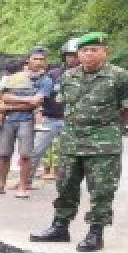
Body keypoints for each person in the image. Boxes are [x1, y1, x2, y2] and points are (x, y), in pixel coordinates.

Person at [30, 32, 128, 252]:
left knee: (101, 190)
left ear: (104, 51)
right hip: (71, 141)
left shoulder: (120, 77)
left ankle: (95, 232)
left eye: (94, 50)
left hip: (103, 144)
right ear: (78, 54)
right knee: (65, 186)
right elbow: (63, 104)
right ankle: (60, 226)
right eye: (84, 50)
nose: (89, 54)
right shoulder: (68, 77)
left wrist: (114, 129)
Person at [0, 49, 54, 197]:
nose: (38, 62)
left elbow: (37, 101)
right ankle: (0, 184)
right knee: (4, 154)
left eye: (41, 59)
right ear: (28, 60)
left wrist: (11, 104)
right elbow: (4, 96)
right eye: (35, 59)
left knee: (25, 155)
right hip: (8, 119)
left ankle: (23, 186)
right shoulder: (15, 76)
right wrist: (26, 101)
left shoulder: (45, 80)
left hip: (27, 119)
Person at [30, 39, 79, 180]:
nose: (73, 58)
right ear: (64, 56)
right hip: (50, 118)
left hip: (72, 120)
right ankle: (25, 180)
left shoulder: (87, 76)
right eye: (70, 55)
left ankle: (67, 182)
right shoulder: (53, 74)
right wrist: (37, 114)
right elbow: (40, 95)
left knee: (70, 154)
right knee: (35, 150)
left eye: (75, 55)